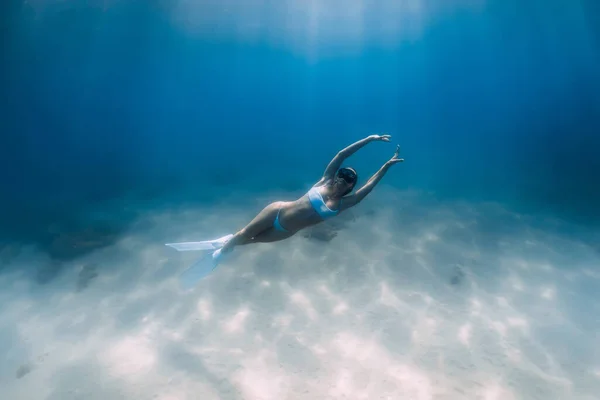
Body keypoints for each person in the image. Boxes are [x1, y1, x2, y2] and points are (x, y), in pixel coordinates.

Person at [165, 134, 404, 274]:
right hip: (276, 210)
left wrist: (386, 166)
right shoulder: (325, 180)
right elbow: (342, 154)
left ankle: (225, 244)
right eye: (342, 174)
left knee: (250, 241)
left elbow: (370, 186)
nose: (343, 179)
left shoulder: (344, 203)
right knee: (245, 234)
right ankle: (219, 253)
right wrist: (370, 139)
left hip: (285, 231)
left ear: (352, 185)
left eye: (349, 179)